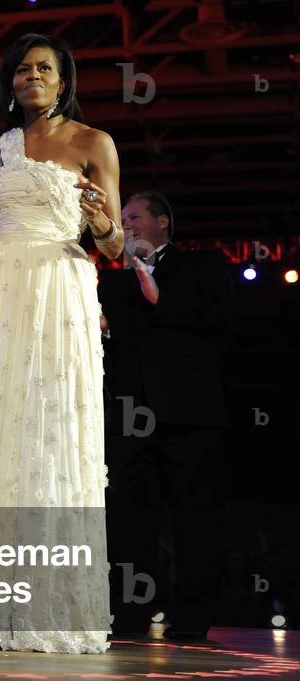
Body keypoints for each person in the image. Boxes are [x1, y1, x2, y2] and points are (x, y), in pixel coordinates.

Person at [0, 33, 123, 654]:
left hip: (59, 288)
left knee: (50, 433)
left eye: (45, 69)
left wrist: (103, 224)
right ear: (11, 84)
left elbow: (114, 247)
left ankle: (51, 605)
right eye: (22, 71)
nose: (32, 77)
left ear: (64, 80)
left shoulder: (95, 144)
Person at [98, 191, 231, 642]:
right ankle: (131, 614)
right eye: (121, 219)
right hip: (131, 422)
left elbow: (220, 321)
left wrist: (159, 297)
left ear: (163, 222)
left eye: (134, 216)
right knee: (130, 524)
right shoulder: (111, 284)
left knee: (196, 522)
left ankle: (192, 618)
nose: (126, 224)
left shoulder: (202, 266)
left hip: (190, 417)